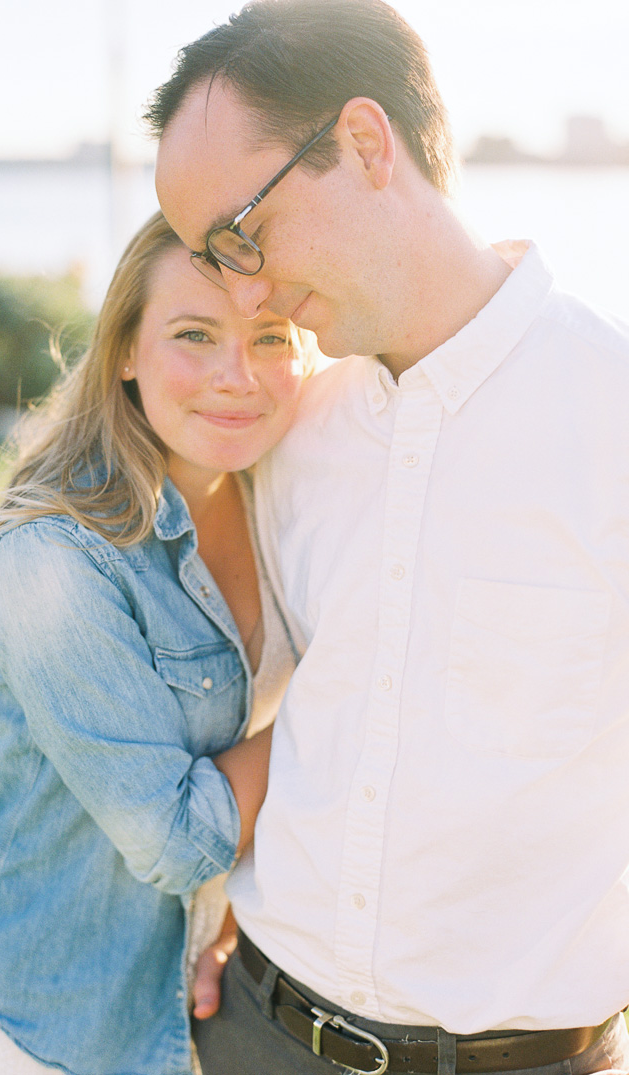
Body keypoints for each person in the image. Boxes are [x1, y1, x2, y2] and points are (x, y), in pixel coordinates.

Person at [146, 1, 629, 1073]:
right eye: (210, 261)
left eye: (240, 236)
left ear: (365, 144)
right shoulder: (289, 430)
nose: (243, 290)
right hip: (249, 1031)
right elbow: (279, 703)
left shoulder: (612, 411)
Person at [0, 210, 312, 1075]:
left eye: (271, 334)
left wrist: (237, 919)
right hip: (56, 1036)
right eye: (194, 335)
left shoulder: (285, 498)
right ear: (126, 350)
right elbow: (176, 839)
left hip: (212, 1011)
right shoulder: (55, 557)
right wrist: (348, 705)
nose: (236, 375)